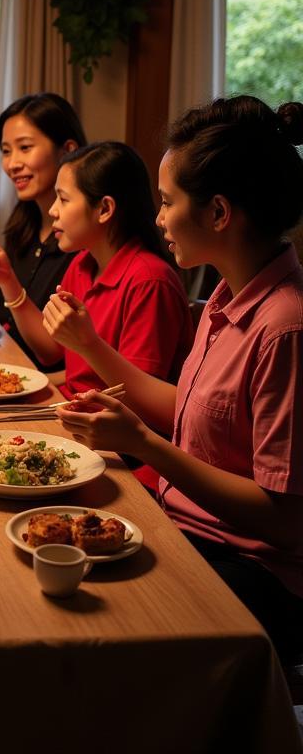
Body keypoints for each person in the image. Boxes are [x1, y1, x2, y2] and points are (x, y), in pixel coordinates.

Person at [59, 96, 303, 662]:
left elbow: (285, 520)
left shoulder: (285, 326)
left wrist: (142, 444)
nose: (158, 218)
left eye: (167, 203)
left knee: (86, 628)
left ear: (218, 213)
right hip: (190, 530)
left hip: (253, 569)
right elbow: (193, 414)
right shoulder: (226, 294)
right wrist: (97, 363)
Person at [0, 141, 193, 400]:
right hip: (74, 406)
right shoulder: (81, 265)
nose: (52, 210)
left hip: (110, 428)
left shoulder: (149, 280)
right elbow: (53, 353)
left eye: (63, 199)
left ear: (104, 209)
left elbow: (135, 397)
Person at [0, 93, 86, 371]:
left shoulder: (83, 239)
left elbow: (55, 354)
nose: (12, 163)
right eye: (6, 151)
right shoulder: (22, 226)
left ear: (67, 150)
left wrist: (8, 282)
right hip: (4, 368)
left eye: (25, 147)